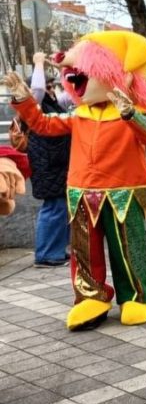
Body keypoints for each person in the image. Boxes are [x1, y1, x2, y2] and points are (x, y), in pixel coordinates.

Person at [5, 31, 146, 330]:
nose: (76, 82)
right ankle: (91, 297)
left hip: (124, 191)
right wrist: (23, 99)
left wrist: (130, 113)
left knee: (128, 249)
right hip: (81, 192)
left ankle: (134, 297)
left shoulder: (132, 114)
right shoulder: (78, 115)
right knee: (84, 250)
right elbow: (42, 124)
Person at [26, 52, 72, 268]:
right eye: (48, 86)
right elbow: (36, 89)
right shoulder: (33, 105)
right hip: (48, 166)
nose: (50, 90)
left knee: (60, 209)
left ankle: (56, 251)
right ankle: (45, 254)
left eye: (53, 86)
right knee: (53, 209)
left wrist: (67, 65)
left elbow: (73, 93)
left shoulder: (55, 103)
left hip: (58, 165)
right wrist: (37, 64)